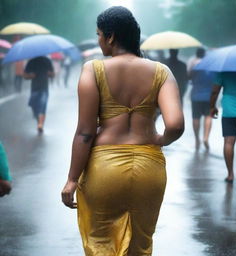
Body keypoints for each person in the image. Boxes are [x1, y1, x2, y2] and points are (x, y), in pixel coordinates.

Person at [61, 6, 184, 256]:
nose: (98, 40)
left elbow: (85, 132)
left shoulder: (93, 70)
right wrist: (161, 138)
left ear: (111, 36)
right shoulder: (162, 72)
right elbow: (175, 125)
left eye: (99, 34)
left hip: (104, 168)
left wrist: (72, 179)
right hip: (149, 167)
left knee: (101, 242)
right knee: (139, 242)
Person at [188, 48, 215, 150]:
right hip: (209, 96)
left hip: (196, 95)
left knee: (196, 117)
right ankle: (206, 138)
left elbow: (189, 77)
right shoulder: (212, 66)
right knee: (209, 116)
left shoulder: (195, 66)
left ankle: (197, 140)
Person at [24, 56, 54, 133]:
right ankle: (39, 121)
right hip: (34, 89)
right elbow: (25, 75)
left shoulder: (47, 61)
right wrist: (31, 76)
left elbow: (53, 74)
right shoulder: (31, 62)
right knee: (34, 107)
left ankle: (40, 124)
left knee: (42, 106)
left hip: (44, 88)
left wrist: (50, 74)